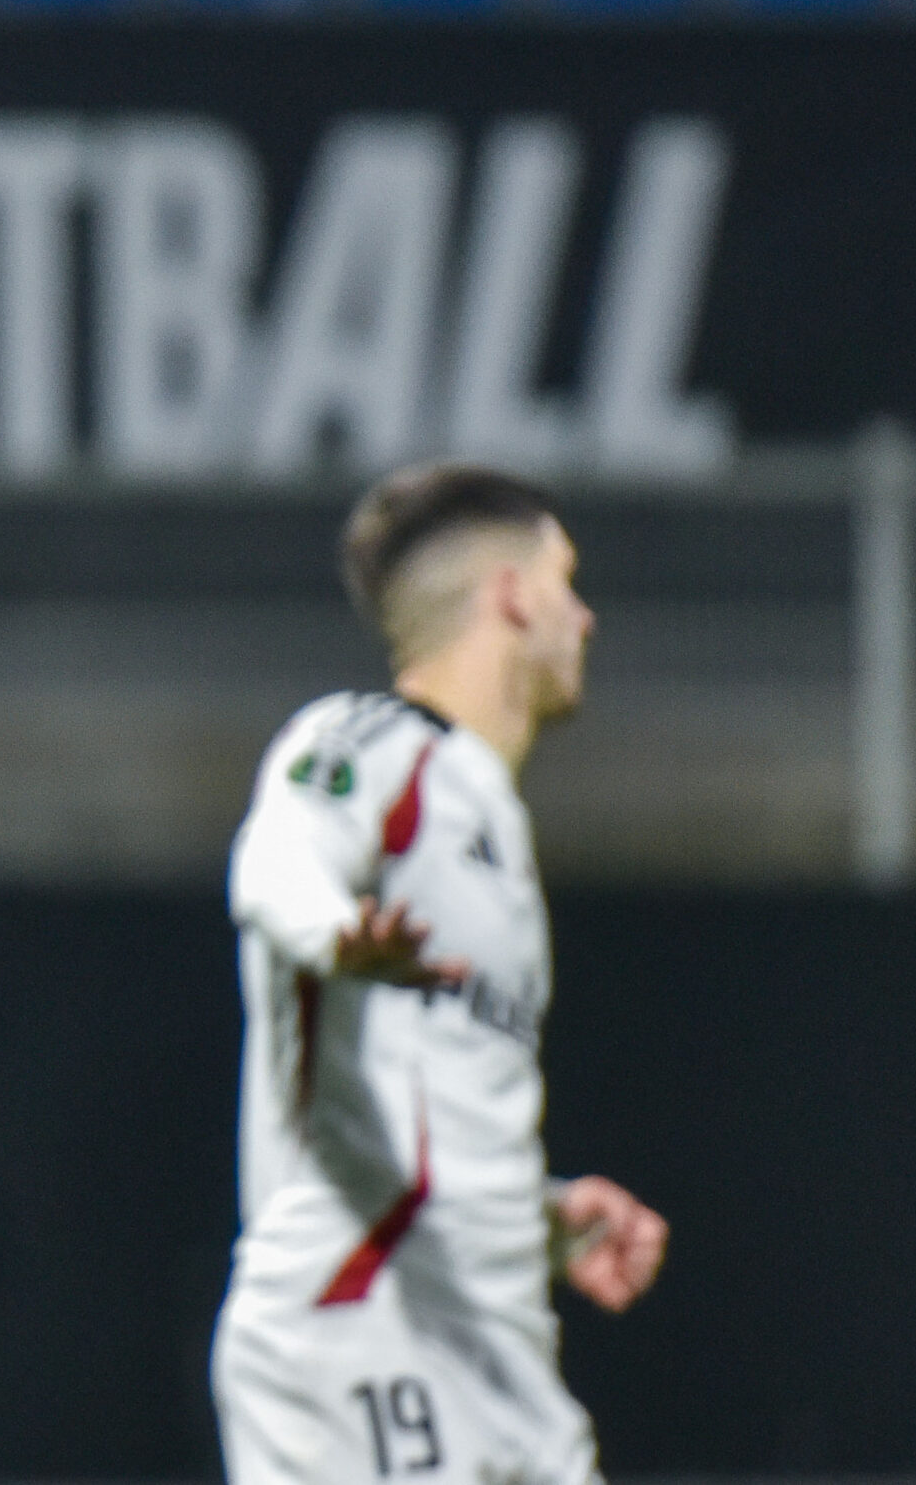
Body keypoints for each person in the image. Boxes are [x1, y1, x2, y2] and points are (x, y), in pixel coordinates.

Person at [212, 463, 668, 1485]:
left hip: (495, 1351)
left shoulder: (487, 818)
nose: (584, 617)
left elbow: (427, 1105)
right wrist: (334, 933)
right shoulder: (365, 742)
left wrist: (536, 1216)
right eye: (565, 581)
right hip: (358, 1331)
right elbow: (274, 858)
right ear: (511, 592)